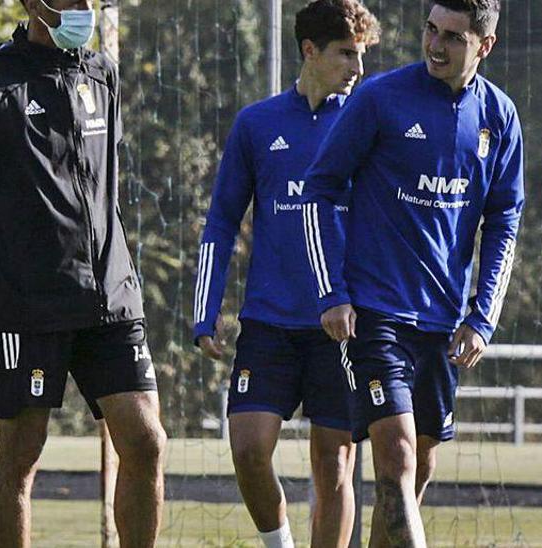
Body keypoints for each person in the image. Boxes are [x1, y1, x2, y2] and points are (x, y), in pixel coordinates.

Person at [0, 1, 165, 546]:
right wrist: (17, 258)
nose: (84, 10)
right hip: (31, 305)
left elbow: (98, 183)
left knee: (147, 442)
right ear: (34, 5)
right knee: (22, 453)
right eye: (73, 2)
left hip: (111, 296)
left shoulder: (102, 73)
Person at [300, 0, 523, 545]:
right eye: (430, 30)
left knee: (412, 479)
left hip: (443, 326)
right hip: (375, 315)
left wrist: (482, 317)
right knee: (395, 460)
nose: (435, 46)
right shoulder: (381, 98)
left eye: (452, 37)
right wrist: (332, 292)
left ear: (484, 46)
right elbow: (319, 189)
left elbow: (504, 224)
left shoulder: (499, 117)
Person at [192, 1, 379, 546]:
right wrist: (206, 309)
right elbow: (222, 220)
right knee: (249, 449)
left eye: (362, 55)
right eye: (347, 54)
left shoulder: (367, 121)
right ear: (310, 51)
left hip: (341, 322)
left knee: (335, 464)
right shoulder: (258, 123)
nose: (358, 68)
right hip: (269, 322)